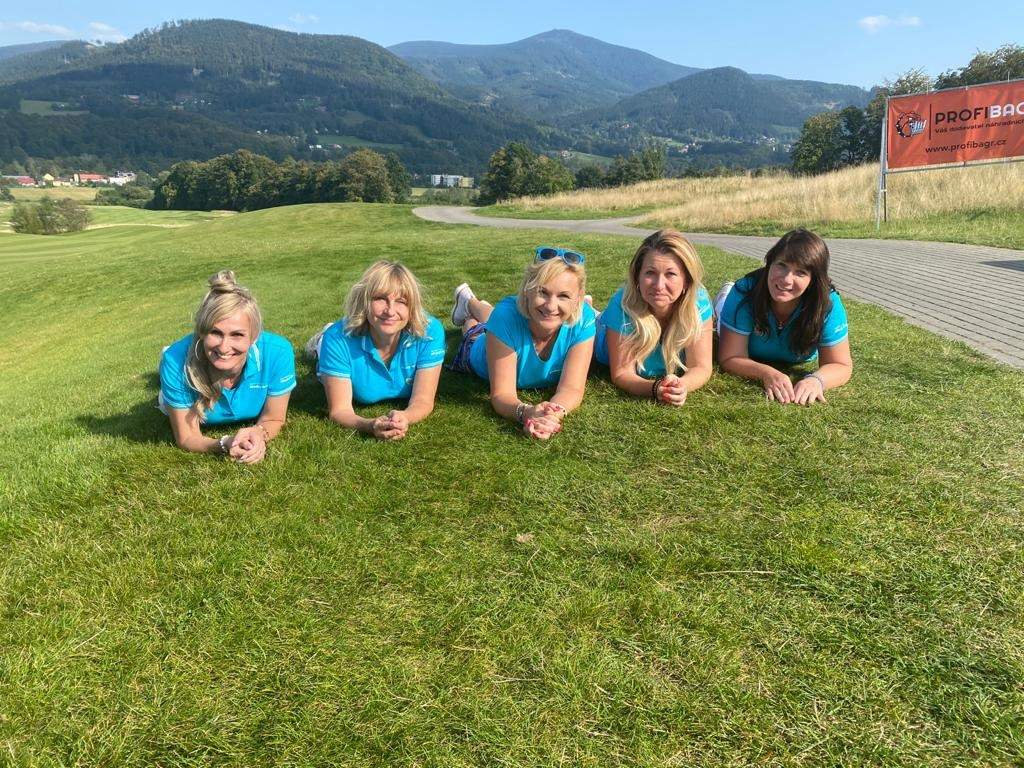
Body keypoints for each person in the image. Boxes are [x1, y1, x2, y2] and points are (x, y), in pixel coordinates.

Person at [449, 246, 596, 439]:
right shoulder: (505, 317)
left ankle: (474, 305)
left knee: (501, 317)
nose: (551, 305)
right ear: (527, 290)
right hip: (477, 348)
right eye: (543, 292)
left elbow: (572, 388)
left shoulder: (585, 318)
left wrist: (552, 415)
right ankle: (468, 303)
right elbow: (502, 395)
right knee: (474, 328)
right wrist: (526, 413)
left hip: (508, 324)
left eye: (563, 295)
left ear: (578, 298)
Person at [159, 270, 296, 461]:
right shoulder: (175, 362)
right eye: (215, 333)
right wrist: (224, 443)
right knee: (166, 390)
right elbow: (187, 437)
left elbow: (274, 418)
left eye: (237, 335)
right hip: (178, 365)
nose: (224, 347)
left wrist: (259, 433)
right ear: (201, 332)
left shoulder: (278, 352)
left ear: (254, 336)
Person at [309, 260, 445, 440]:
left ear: (412, 307)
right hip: (337, 338)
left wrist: (405, 417)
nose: (390, 311)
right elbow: (339, 410)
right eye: (380, 299)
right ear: (364, 301)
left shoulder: (430, 332)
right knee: (325, 342)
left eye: (401, 301)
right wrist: (369, 425)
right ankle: (320, 341)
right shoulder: (336, 339)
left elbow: (423, 401)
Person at [716, 228, 852, 405]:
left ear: (813, 280)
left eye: (801, 272)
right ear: (769, 263)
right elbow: (729, 357)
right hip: (732, 306)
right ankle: (724, 297)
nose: (787, 279)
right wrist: (766, 373)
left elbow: (841, 364)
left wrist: (816, 380)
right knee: (722, 311)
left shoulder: (827, 303)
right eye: (781, 265)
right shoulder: (744, 293)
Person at [594, 229, 713, 404]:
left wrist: (682, 386)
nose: (659, 285)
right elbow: (622, 373)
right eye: (650, 273)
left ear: (686, 280)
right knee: (584, 317)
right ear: (637, 276)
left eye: (670, 274)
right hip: (600, 332)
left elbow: (701, 366)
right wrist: (655, 388)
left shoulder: (698, 302)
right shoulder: (622, 304)